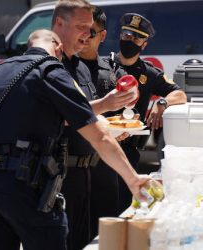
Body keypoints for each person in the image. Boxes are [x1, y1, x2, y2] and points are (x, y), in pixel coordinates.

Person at [0, 28, 149, 250]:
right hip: (27, 186)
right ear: (58, 48)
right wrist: (133, 180)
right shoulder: (50, 70)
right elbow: (99, 136)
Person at [51, 1, 135, 249]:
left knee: (95, 241)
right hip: (65, 174)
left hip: (94, 170)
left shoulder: (85, 70)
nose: (86, 36)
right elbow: (65, 115)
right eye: (81, 28)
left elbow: (88, 118)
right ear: (59, 25)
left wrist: (109, 127)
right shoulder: (53, 67)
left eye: (91, 30)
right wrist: (105, 105)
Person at [97, 13, 187, 216]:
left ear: (144, 44)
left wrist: (162, 102)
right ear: (120, 35)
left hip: (129, 151)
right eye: (127, 35)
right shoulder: (103, 66)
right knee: (97, 208)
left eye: (136, 38)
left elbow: (180, 94)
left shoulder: (149, 72)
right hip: (100, 147)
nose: (130, 40)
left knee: (121, 208)